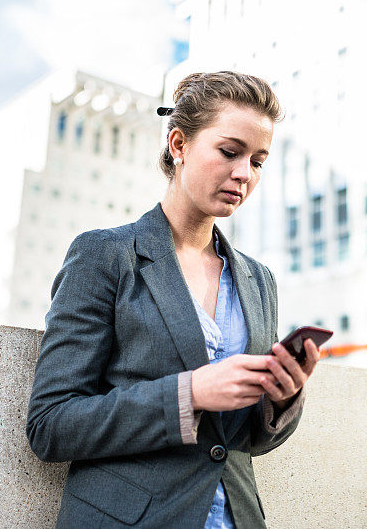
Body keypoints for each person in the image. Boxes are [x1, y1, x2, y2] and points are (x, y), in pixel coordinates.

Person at [26, 71, 319, 528]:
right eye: (229, 151)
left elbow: (243, 442)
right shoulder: (105, 255)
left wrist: (281, 399)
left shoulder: (259, 280)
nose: (244, 173)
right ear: (178, 144)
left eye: (258, 161)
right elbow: (52, 424)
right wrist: (192, 393)